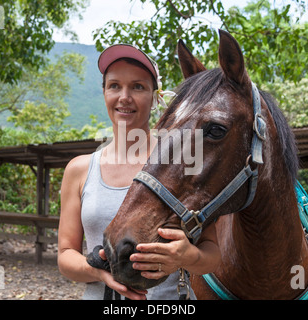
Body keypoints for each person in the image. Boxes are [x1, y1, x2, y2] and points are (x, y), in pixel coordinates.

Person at [57, 44, 221, 300]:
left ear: (155, 97)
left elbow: (212, 253)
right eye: (114, 86)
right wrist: (99, 271)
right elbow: (66, 255)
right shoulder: (80, 169)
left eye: (138, 86)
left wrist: (188, 256)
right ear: (103, 93)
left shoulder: (184, 163)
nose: (124, 96)